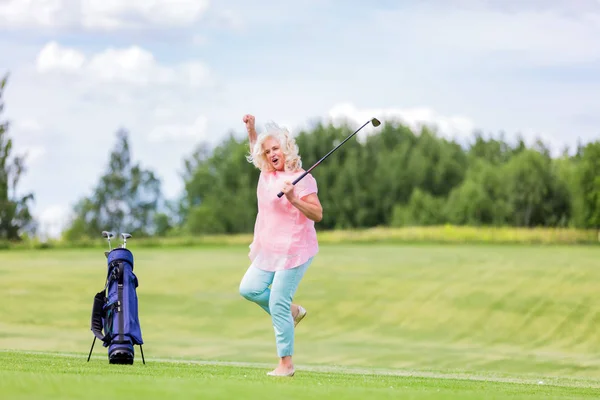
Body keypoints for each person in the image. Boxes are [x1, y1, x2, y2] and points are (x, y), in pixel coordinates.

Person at [238, 113, 323, 377]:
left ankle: (286, 364)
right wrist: (252, 130)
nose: (272, 153)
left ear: (285, 149)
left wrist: (293, 198)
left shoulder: (302, 178)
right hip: (269, 248)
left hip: (295, 249)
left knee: (276, 301)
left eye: (276, 148)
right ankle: (292, 312)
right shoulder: (266, 174)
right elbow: (255, 150)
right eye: (267, 151)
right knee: (249, 289)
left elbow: (318, 214)